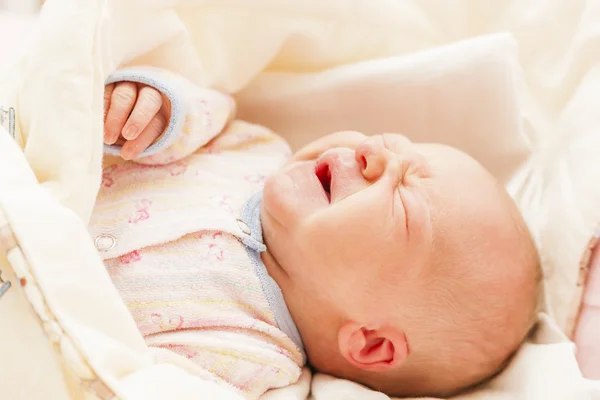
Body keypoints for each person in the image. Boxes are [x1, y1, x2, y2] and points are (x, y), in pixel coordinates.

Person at [93, 67, 541, 399]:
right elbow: (205, 112)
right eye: (394, 145)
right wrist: (157, 108)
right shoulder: (255, 153)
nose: (373, 154)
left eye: (403, 201)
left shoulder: (258, 364)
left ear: (370, 342)